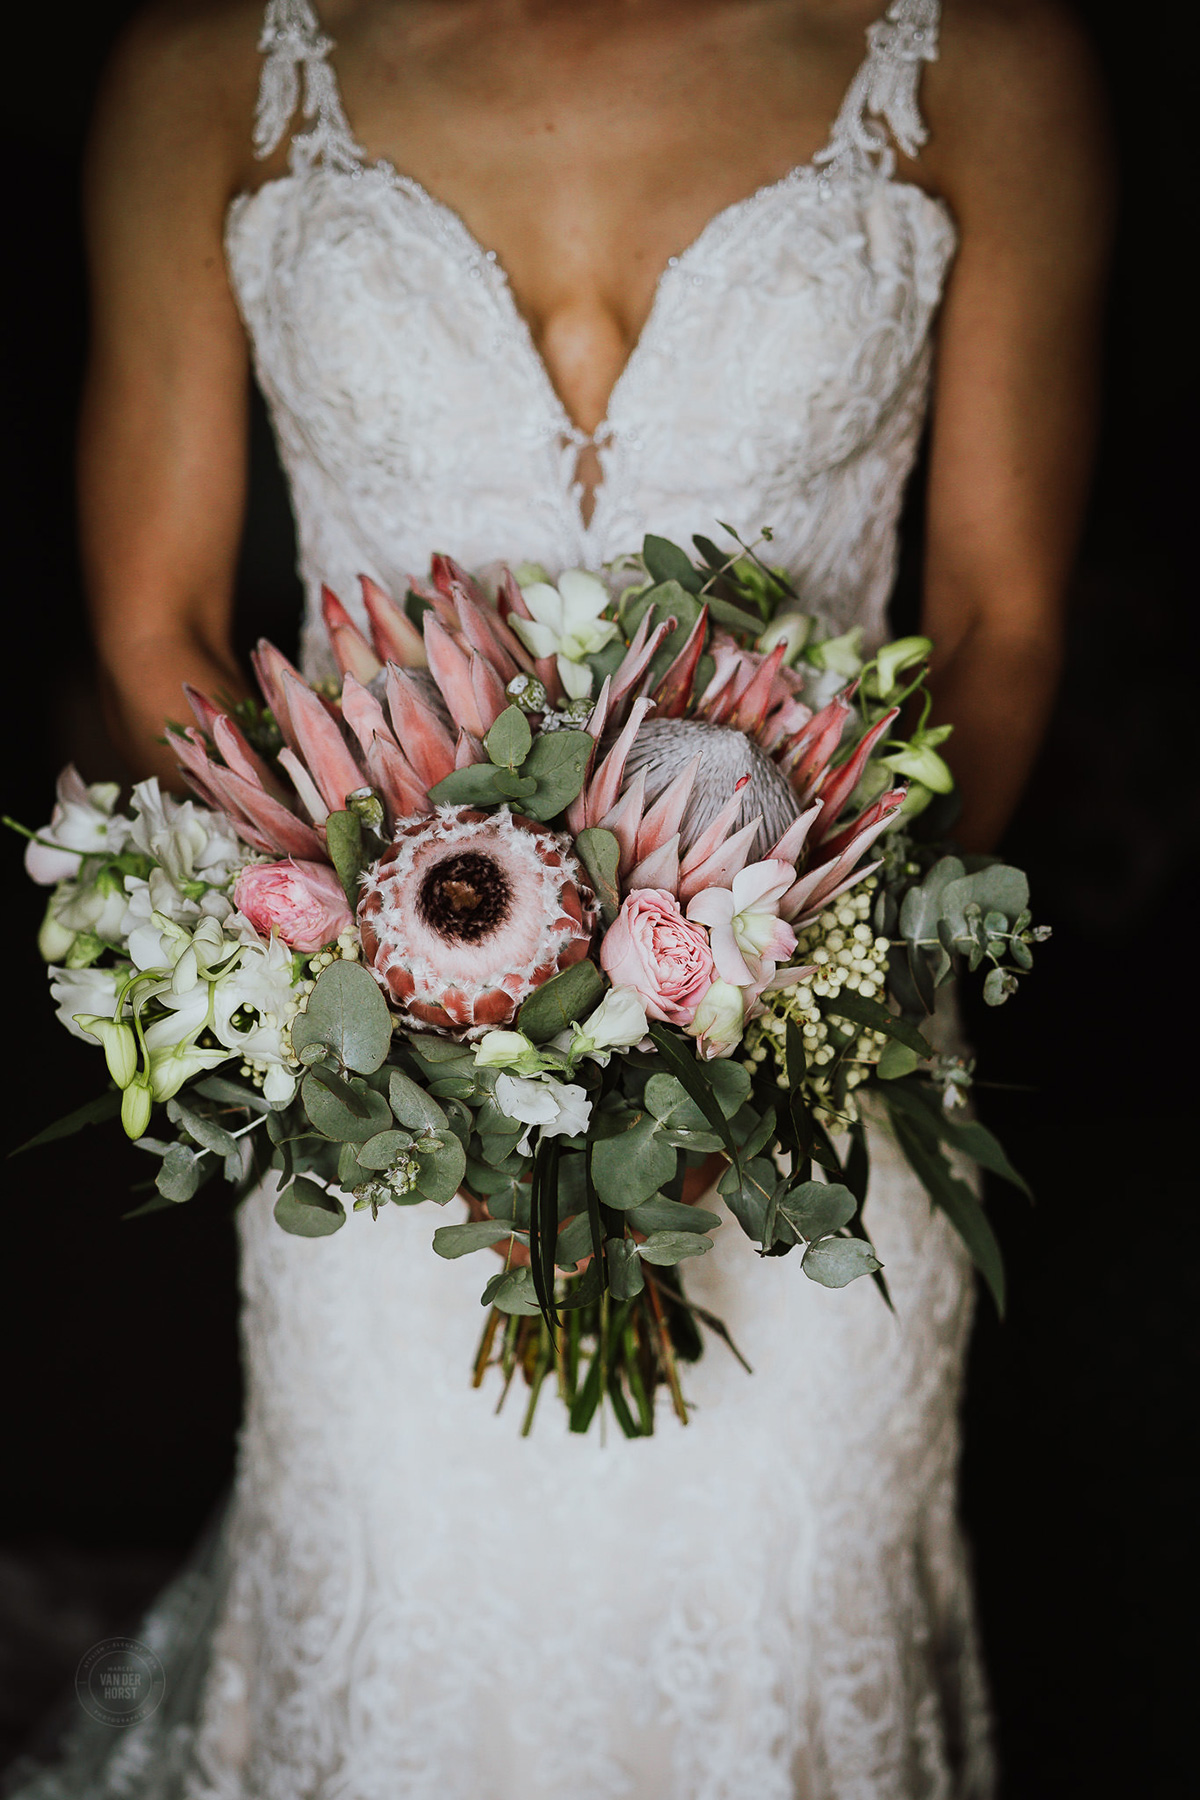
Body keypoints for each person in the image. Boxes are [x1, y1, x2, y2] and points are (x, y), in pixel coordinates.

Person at [23, 1, 1109, 1795]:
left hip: (820, 1087)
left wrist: (775, 1014)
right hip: (370, 1094)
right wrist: (392, 1015)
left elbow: (1002, 623)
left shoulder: (987, 67)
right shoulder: (206, 70)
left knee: (777, 1624)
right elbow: (158, 625)